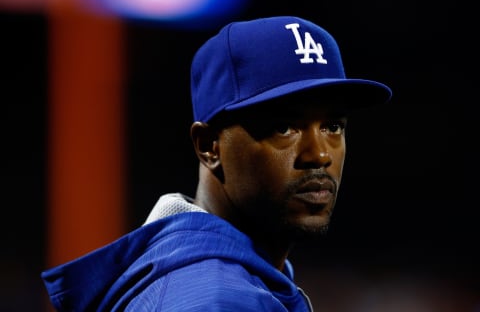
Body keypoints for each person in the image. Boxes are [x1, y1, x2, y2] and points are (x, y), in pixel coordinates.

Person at [41, 16, 392, 311]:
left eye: (333, 126)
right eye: (284, 127)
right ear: (209, 146)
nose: (319, 154)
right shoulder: (214, 299)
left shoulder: (204, 277)